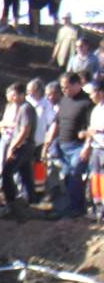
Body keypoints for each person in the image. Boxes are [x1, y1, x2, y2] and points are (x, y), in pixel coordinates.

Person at [42, 73, 93, 217]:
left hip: (78, 147)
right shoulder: (64, 100)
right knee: (66, 177)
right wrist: (48, 143)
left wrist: (87, 146)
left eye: (66, 87)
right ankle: (72, 205)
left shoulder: (87, 103)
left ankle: (77, 208)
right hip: (62, 145)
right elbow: (56, 123)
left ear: (77, 84)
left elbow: (92, 127)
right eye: (62, 88)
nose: (64, 91)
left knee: (75, 174)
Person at [0, 83, 37, 204]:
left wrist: (12, 146)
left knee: (7, 172)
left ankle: (10, 201)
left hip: (23, 146)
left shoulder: (25, 108)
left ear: (22, 95)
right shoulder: (21, 107)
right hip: (25, 145)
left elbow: (25, 130)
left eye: (15, 95)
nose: (12, 97)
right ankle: (31, 200)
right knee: (26, 175)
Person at [81, 81, 104, 222]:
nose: (90, 96)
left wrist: (98, 130)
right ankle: (97, 207)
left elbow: (96, 129)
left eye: (92, 93)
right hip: (96, 148)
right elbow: (91, 130)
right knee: (95, 178)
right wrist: (86, 145)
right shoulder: (95, 110)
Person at [26, 78, 52, 194]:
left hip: (40, 140)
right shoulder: (26, 101)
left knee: (39, 164)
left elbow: (51, 121)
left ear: (38, 90)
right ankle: (25, 189)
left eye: (31, 90)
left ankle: (39, 190)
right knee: (25, 164)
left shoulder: (46, 103)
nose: (29, 93)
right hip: (27, 140)